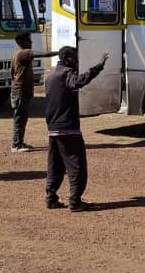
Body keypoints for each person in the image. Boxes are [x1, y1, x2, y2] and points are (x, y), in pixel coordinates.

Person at [43, 46, 108, 212]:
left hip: (53, 129)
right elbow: (78, 82)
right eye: (75, 58)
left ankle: (51, 198)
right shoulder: (66, 74)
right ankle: (75, 201)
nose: (77, 62)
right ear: (67, 59)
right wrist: (98, 67)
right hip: (67, 129)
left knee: (55, 165)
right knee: (76, 166)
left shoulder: (50, 76)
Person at [10, 32, 58, 152]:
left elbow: (12, 73)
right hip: (21, 93)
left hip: (20, 92)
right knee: (20, 119)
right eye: (28, 40)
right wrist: (60, 52)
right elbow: (45, 54)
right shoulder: (24, 52)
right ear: (21, 42)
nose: (31, 42)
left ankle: (19, 142)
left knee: (21, 119)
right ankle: (16, 145)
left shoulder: (16, 53)